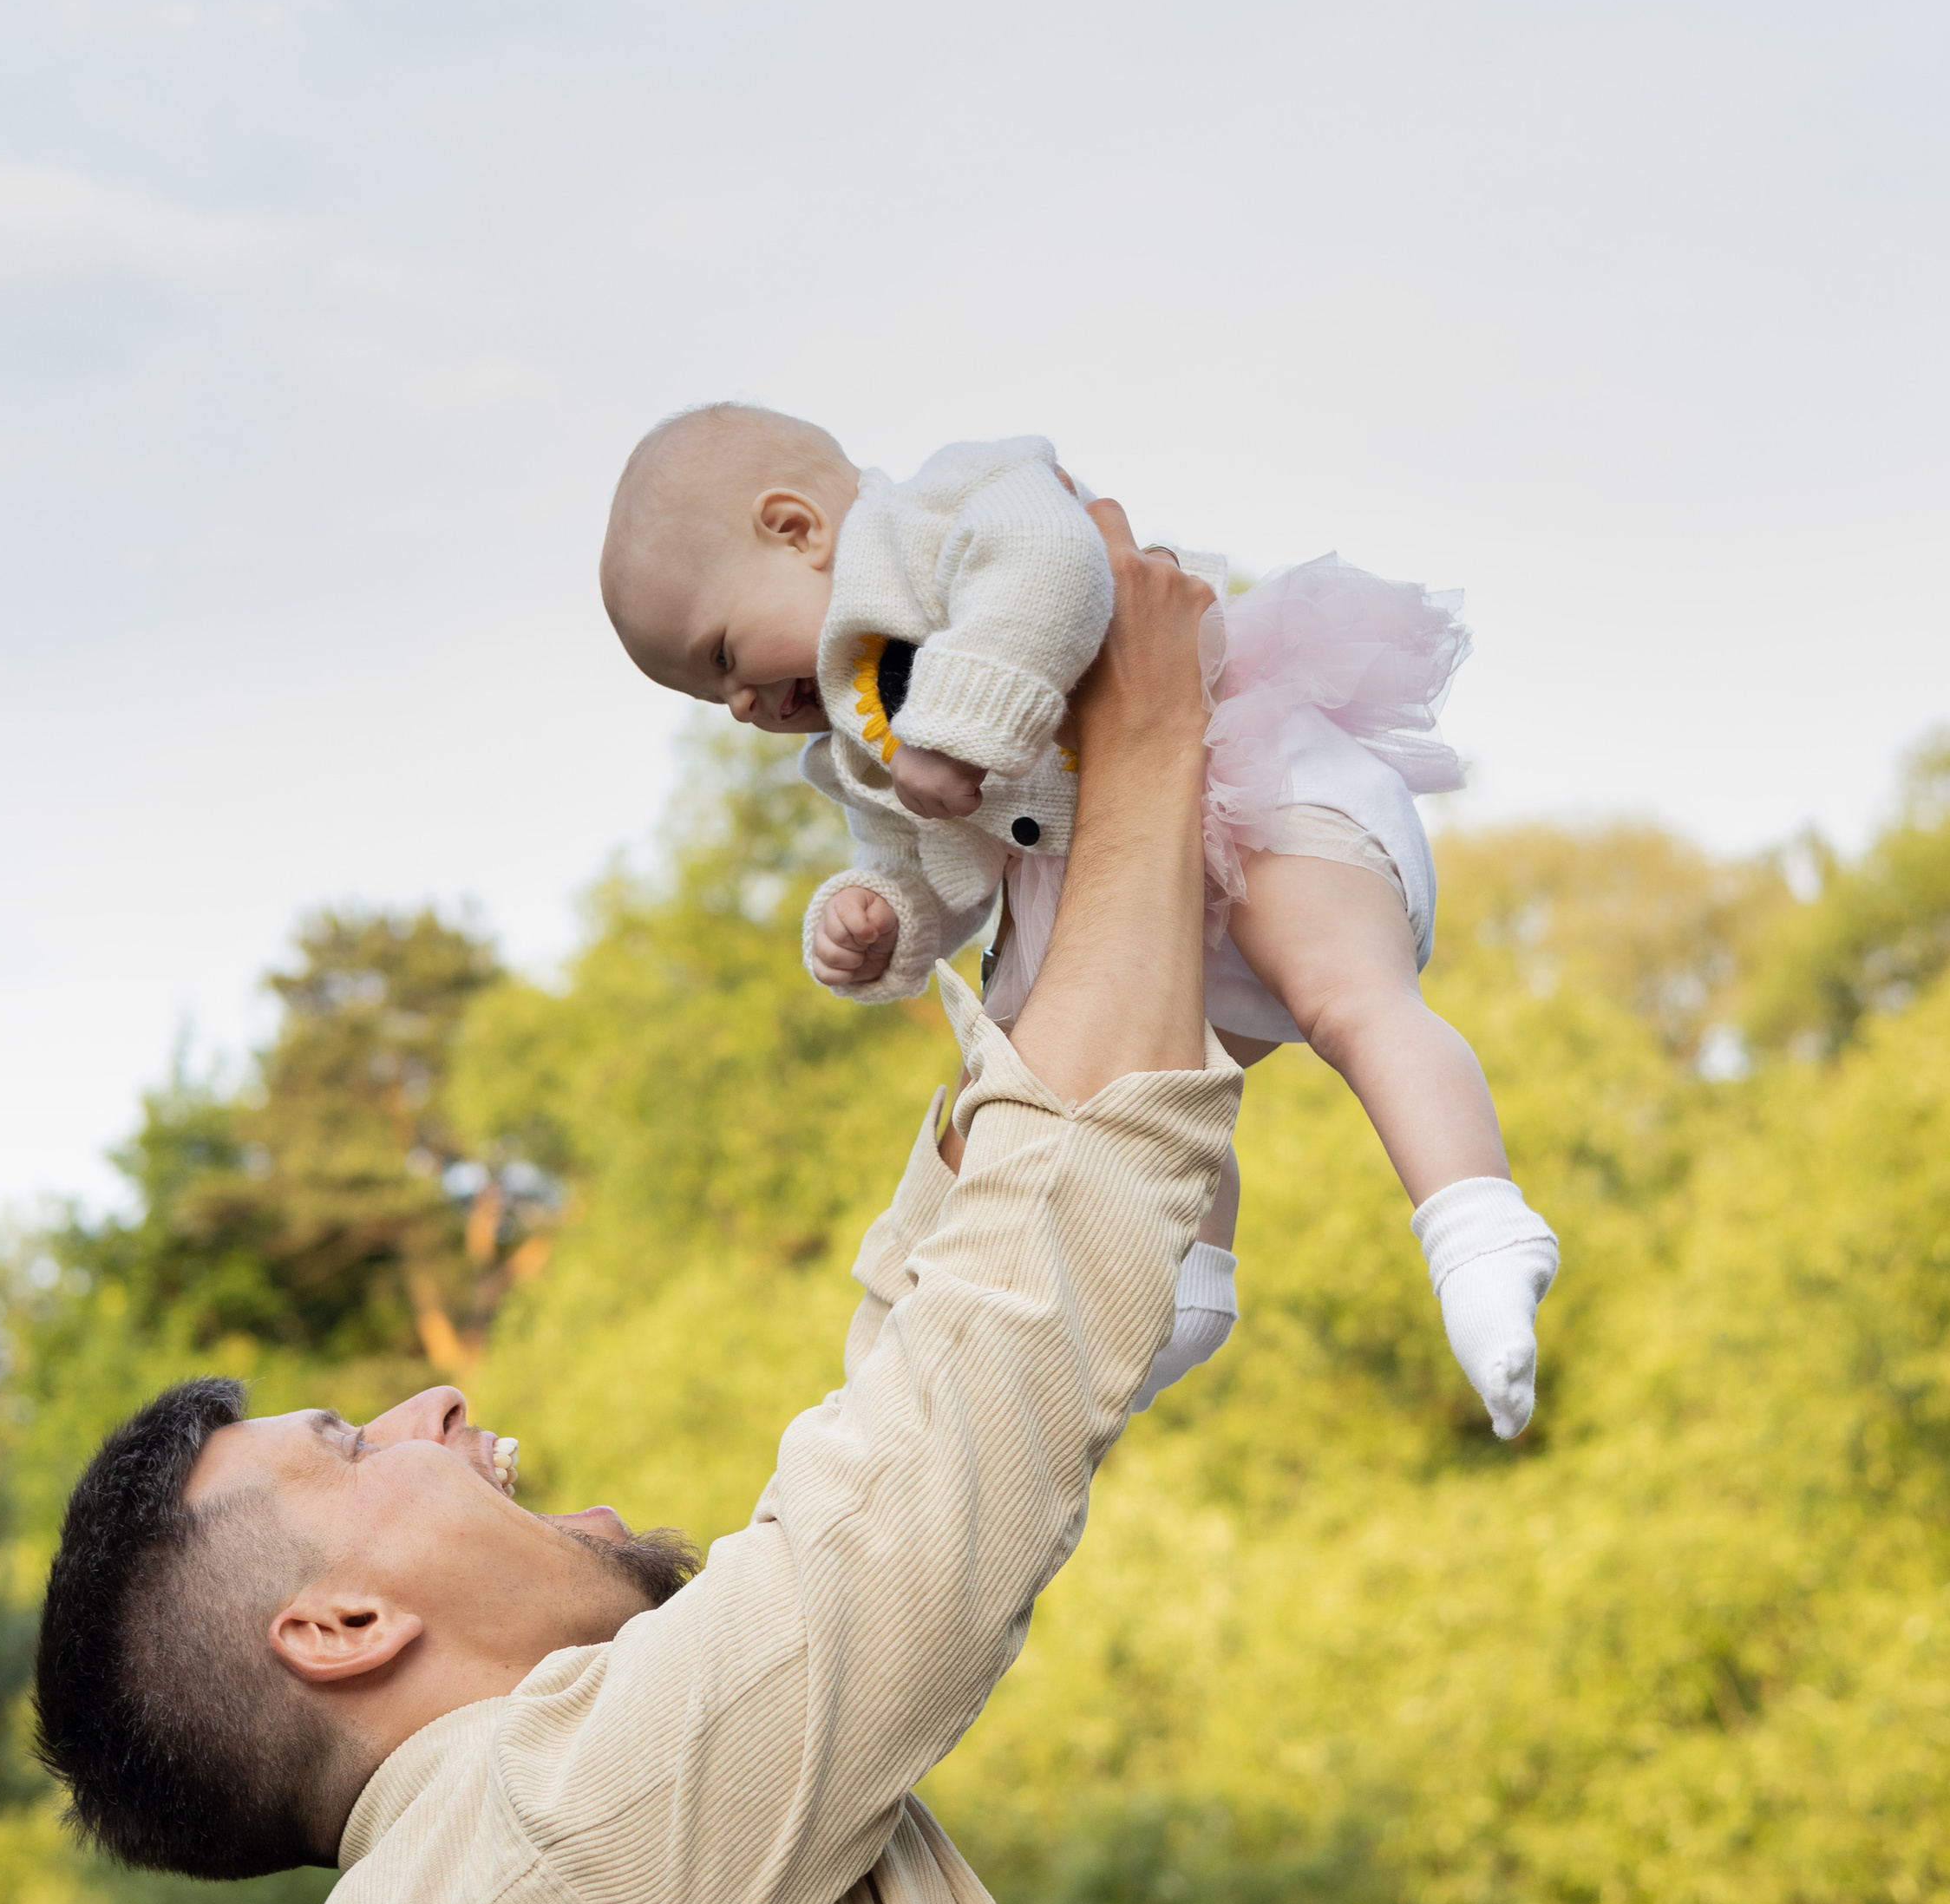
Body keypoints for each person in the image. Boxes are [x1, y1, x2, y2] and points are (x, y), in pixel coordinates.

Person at [35, 512, 1303, 1904]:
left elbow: (931, 1350)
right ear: (339, 1629)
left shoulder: (532, 1878)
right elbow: (974, 1390)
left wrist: (1067, 900)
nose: (438, 1406)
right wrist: (1146, 744)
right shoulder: (558, 1839)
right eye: (352, 1439)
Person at [602, 402, 1559, 1437]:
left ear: (794, 529)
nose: (740, 706)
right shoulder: (853, 745)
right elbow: (939, 864)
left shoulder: (940, 512)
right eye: (712, 699)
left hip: (1228, 775)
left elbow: (1054, 567)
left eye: (720, 657)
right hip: (1106, 874)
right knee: (1134, 1090)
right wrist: (884, 916)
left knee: (1347, 997)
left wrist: (957, 727)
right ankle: (1182, 1293)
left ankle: (1478, 1233)